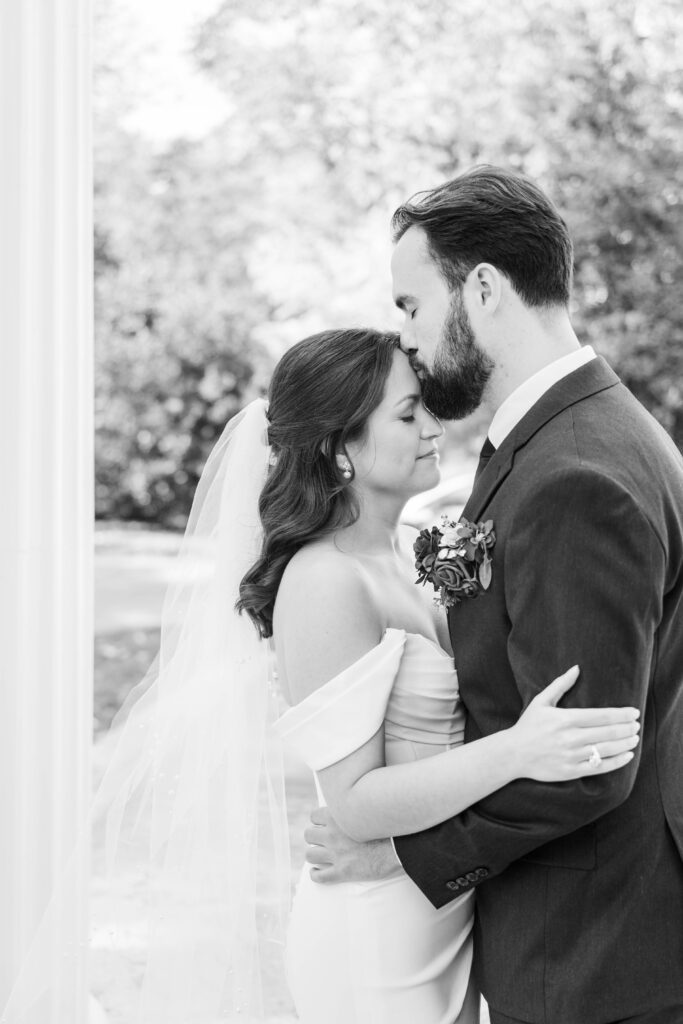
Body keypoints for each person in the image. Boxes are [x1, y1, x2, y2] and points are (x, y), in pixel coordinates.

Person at [305, 168, 683, 1024]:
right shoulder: (581, 434)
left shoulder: (574, 474)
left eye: (412, 306)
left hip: (586, 958)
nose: (406, 339)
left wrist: (404, 858)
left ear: (481, 288)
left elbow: (585, 761)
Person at [237, 327, 640, 1024]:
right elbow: (354, 803)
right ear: (338, 450)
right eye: (407, 415)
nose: (433, 427)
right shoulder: (325, 580)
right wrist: (518, 750)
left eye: (424, 406)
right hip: (374, 934)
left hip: (443, 910)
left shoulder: (408, 553)